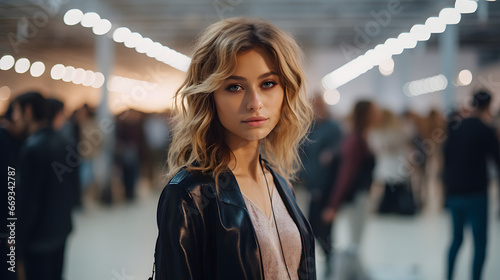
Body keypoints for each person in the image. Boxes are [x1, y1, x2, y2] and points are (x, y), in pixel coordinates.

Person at [152, 17, 316, 280]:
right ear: (209, 96)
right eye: (234, 87)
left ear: (286, 90)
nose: (255, 102)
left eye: (268, 83)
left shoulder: (280, 182)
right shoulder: (188, 194)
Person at [15, 92, 77, 280]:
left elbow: (28, 201)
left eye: (17, 111)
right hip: (60, 229)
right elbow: (74, 189)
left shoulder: (32, 148)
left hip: (37, 237)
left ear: (28, 111)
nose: (14, 117)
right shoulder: (67, 142)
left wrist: (18, 241)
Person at [442, 90, 500, 280]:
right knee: (480, 243)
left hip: (455, 193)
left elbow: (447, 159)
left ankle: (448, 276)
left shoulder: (455, 128)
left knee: (456, 240)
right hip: (476, 194)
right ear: (488, 105)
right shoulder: (486, 130)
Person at [321, 100, 380, 280]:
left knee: (353, 244)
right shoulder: (355, 140)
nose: (378, 114)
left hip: (358, 199)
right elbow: (345, 176)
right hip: (354, 200)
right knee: (351, 245)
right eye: (374, 111)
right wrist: (333, 205)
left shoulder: (361, 136)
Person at [298, 94, 342, 277]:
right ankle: (316, 264)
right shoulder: (310, 127)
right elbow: (301, 151)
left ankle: (330, 262)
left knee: (324, 229)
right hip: (311, 186)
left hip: (327, 187)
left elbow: (340, 153)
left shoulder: (333, 128)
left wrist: (331, 154)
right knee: (311, 227)